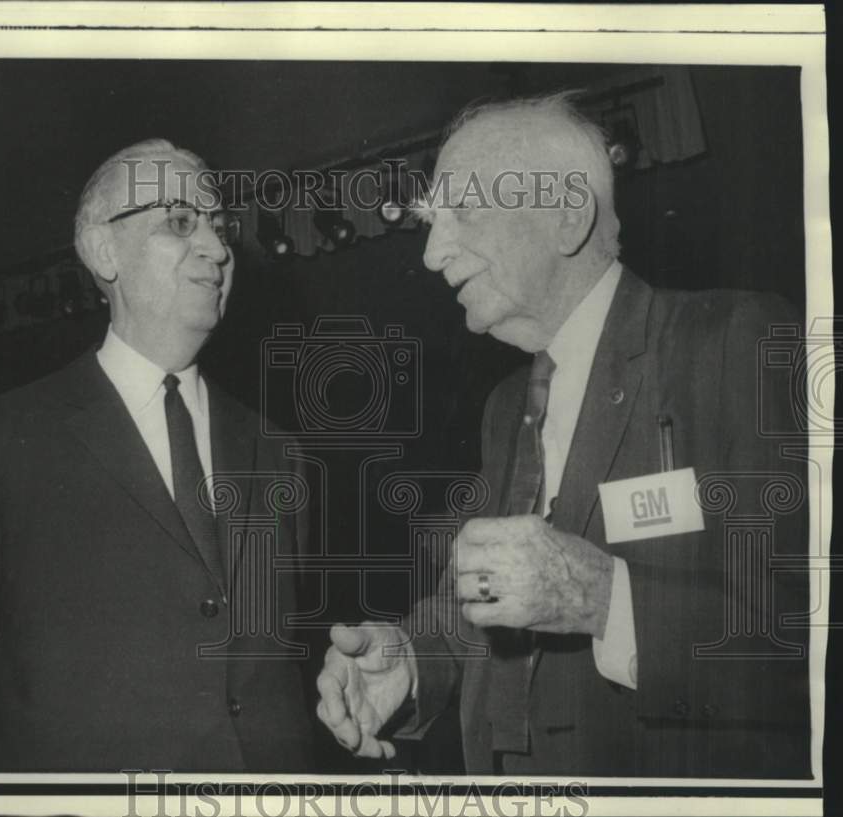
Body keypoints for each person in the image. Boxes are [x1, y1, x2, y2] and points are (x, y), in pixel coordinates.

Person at [316, 94, 811, 778]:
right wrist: (413, 658)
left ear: (567, 215)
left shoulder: (736, 343)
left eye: (462, 211)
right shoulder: (506, 405)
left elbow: (804, 642)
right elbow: (491, 606)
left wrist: (605, 599)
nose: (432, 254)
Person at [0, 139, 314, 772]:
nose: (217, 247)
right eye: (180, 222)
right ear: (103, 251)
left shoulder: (280, 451)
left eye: (220, 225)